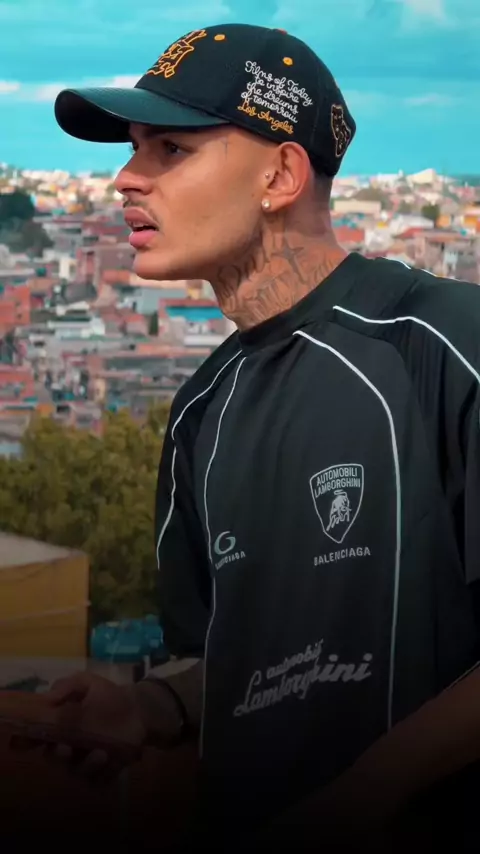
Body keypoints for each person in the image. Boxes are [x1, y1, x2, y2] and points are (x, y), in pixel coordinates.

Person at [48, 21, 480, 851]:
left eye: (170, 149)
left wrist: (368, 794)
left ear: (280, 175)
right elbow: (249, 658)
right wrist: (150, 708)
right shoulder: (200, 413)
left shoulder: (444, 345)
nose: (125, 178)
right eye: (133, 149)